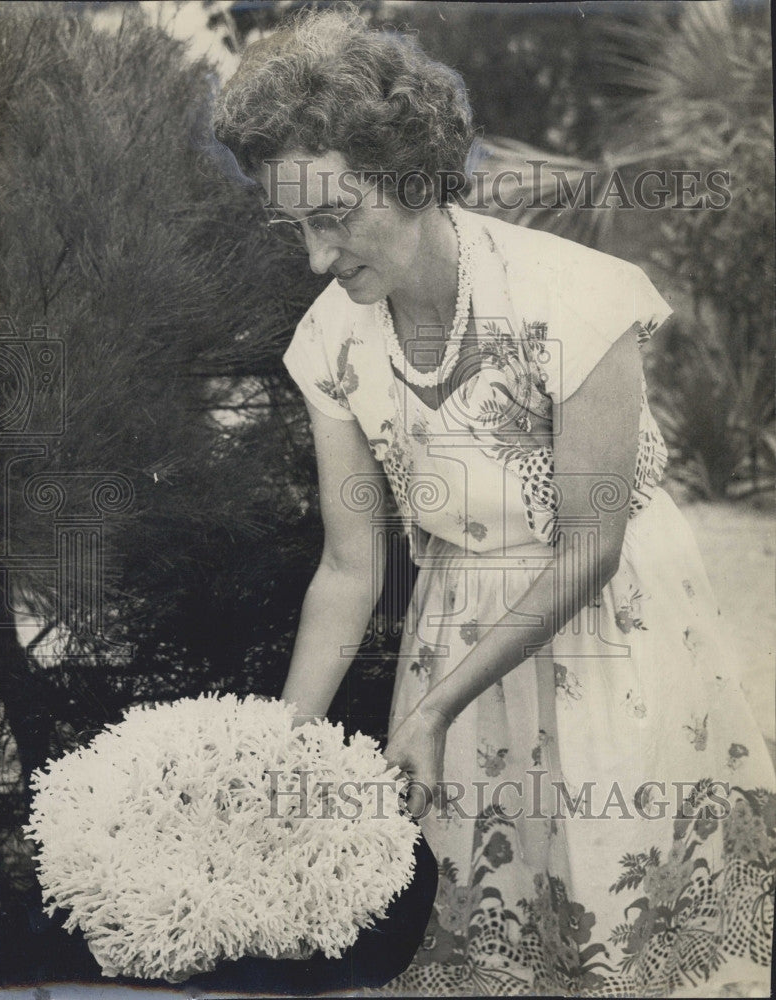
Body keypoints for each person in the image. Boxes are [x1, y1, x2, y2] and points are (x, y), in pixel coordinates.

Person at [214, 8, 775, 997]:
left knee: (615, 929)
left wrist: (431, 705)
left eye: (332, 215)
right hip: (453, 639)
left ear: (408, 174)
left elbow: (588, 549)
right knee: (478, 946)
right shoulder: (329, 340)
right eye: (293, 225)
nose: (313, 256)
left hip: (606, 630)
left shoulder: (578, 299)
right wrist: (283, 746)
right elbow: (351, 567)